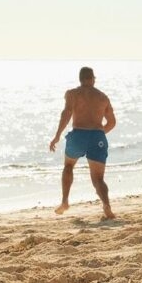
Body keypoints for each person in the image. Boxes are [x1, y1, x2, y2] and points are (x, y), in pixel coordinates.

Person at [49, 66, 116, 220]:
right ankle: (106, 205)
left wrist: (57, 136)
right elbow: (112, 122)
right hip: (97, 138)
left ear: (80, 79)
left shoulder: (72, 94)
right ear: (92, 78)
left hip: (78, 135)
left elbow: (66, 114)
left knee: (68, 167)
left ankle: (65, 202)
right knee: (98, 178)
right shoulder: (102, 97)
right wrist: (98, 134)